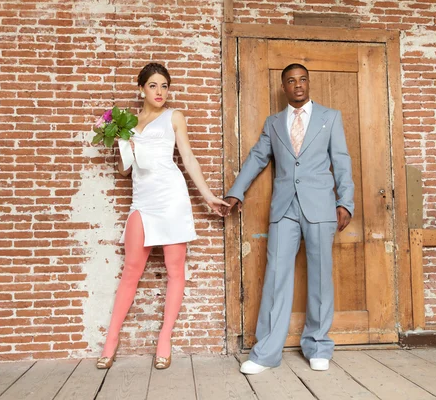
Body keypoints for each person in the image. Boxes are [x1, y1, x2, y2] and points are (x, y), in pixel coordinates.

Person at [222, 63, 354, 374]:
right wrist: (236, 192)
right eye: (291, 81)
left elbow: (342, 161)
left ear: (309, 83)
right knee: (276, 277)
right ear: (284, 87)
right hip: (284, 209)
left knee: (320, 277)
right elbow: (257, 157)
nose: (297, 85)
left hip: (321, 206)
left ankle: (318, 345)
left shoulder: (330, 117)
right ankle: (265, 352)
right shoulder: (273, 123)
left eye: (302, 79)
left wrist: (345, 202)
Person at [97, 63, 228, 370]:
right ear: (141, 88)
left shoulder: (174, 117)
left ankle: (164, 341)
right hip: (142, 201)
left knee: (174, 269)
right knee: (131, 269)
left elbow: (188, 158)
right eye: (153, 85)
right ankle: (110, 343)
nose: (159, 92)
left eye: (164, 86)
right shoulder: (127, 123)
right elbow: (124, 170)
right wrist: (121, 143)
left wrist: (207, 196)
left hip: (171, 198)